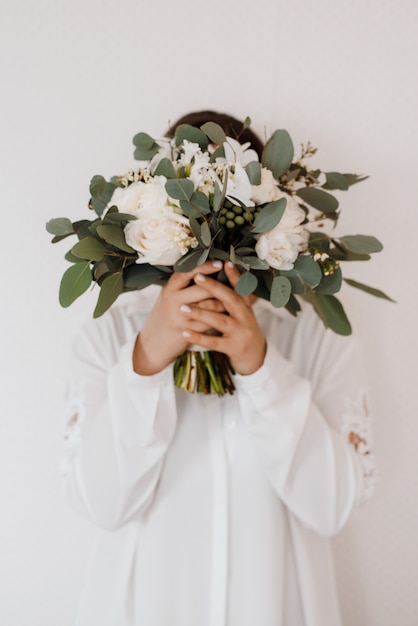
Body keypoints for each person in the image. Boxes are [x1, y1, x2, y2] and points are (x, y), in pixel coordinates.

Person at [62, 112, 376, 626]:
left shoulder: (316, 338)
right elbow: (103, 506)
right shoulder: (111, 337)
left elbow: (332, 509)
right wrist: (145, 361)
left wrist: (261, 367)